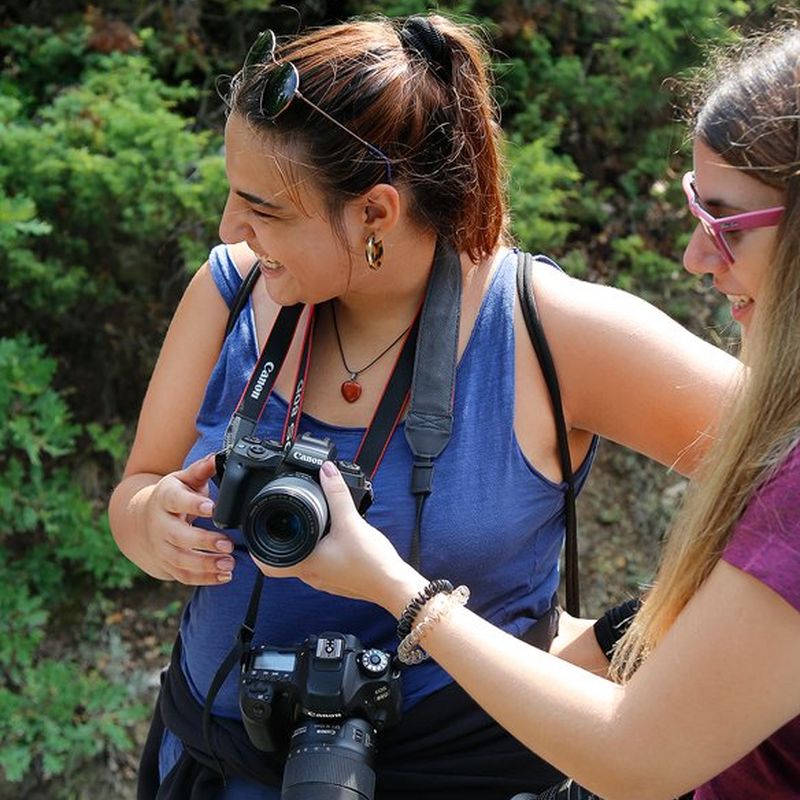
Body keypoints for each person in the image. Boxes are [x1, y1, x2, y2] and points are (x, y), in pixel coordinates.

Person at [108, 13, 739, 800]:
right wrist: (148, 522)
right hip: (211, 762)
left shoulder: (547, 331)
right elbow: (138, 484)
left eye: (264, 209)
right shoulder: (232, 290)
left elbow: (785, 471)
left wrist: (630, 640)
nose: (231, 227)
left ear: (375, 213)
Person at [258, 25, 800, 800]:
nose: (694, 258)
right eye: (692, 203)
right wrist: (623, 634)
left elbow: (634, 760)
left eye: (724, 222)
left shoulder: (550, 328)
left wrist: (395, 587)